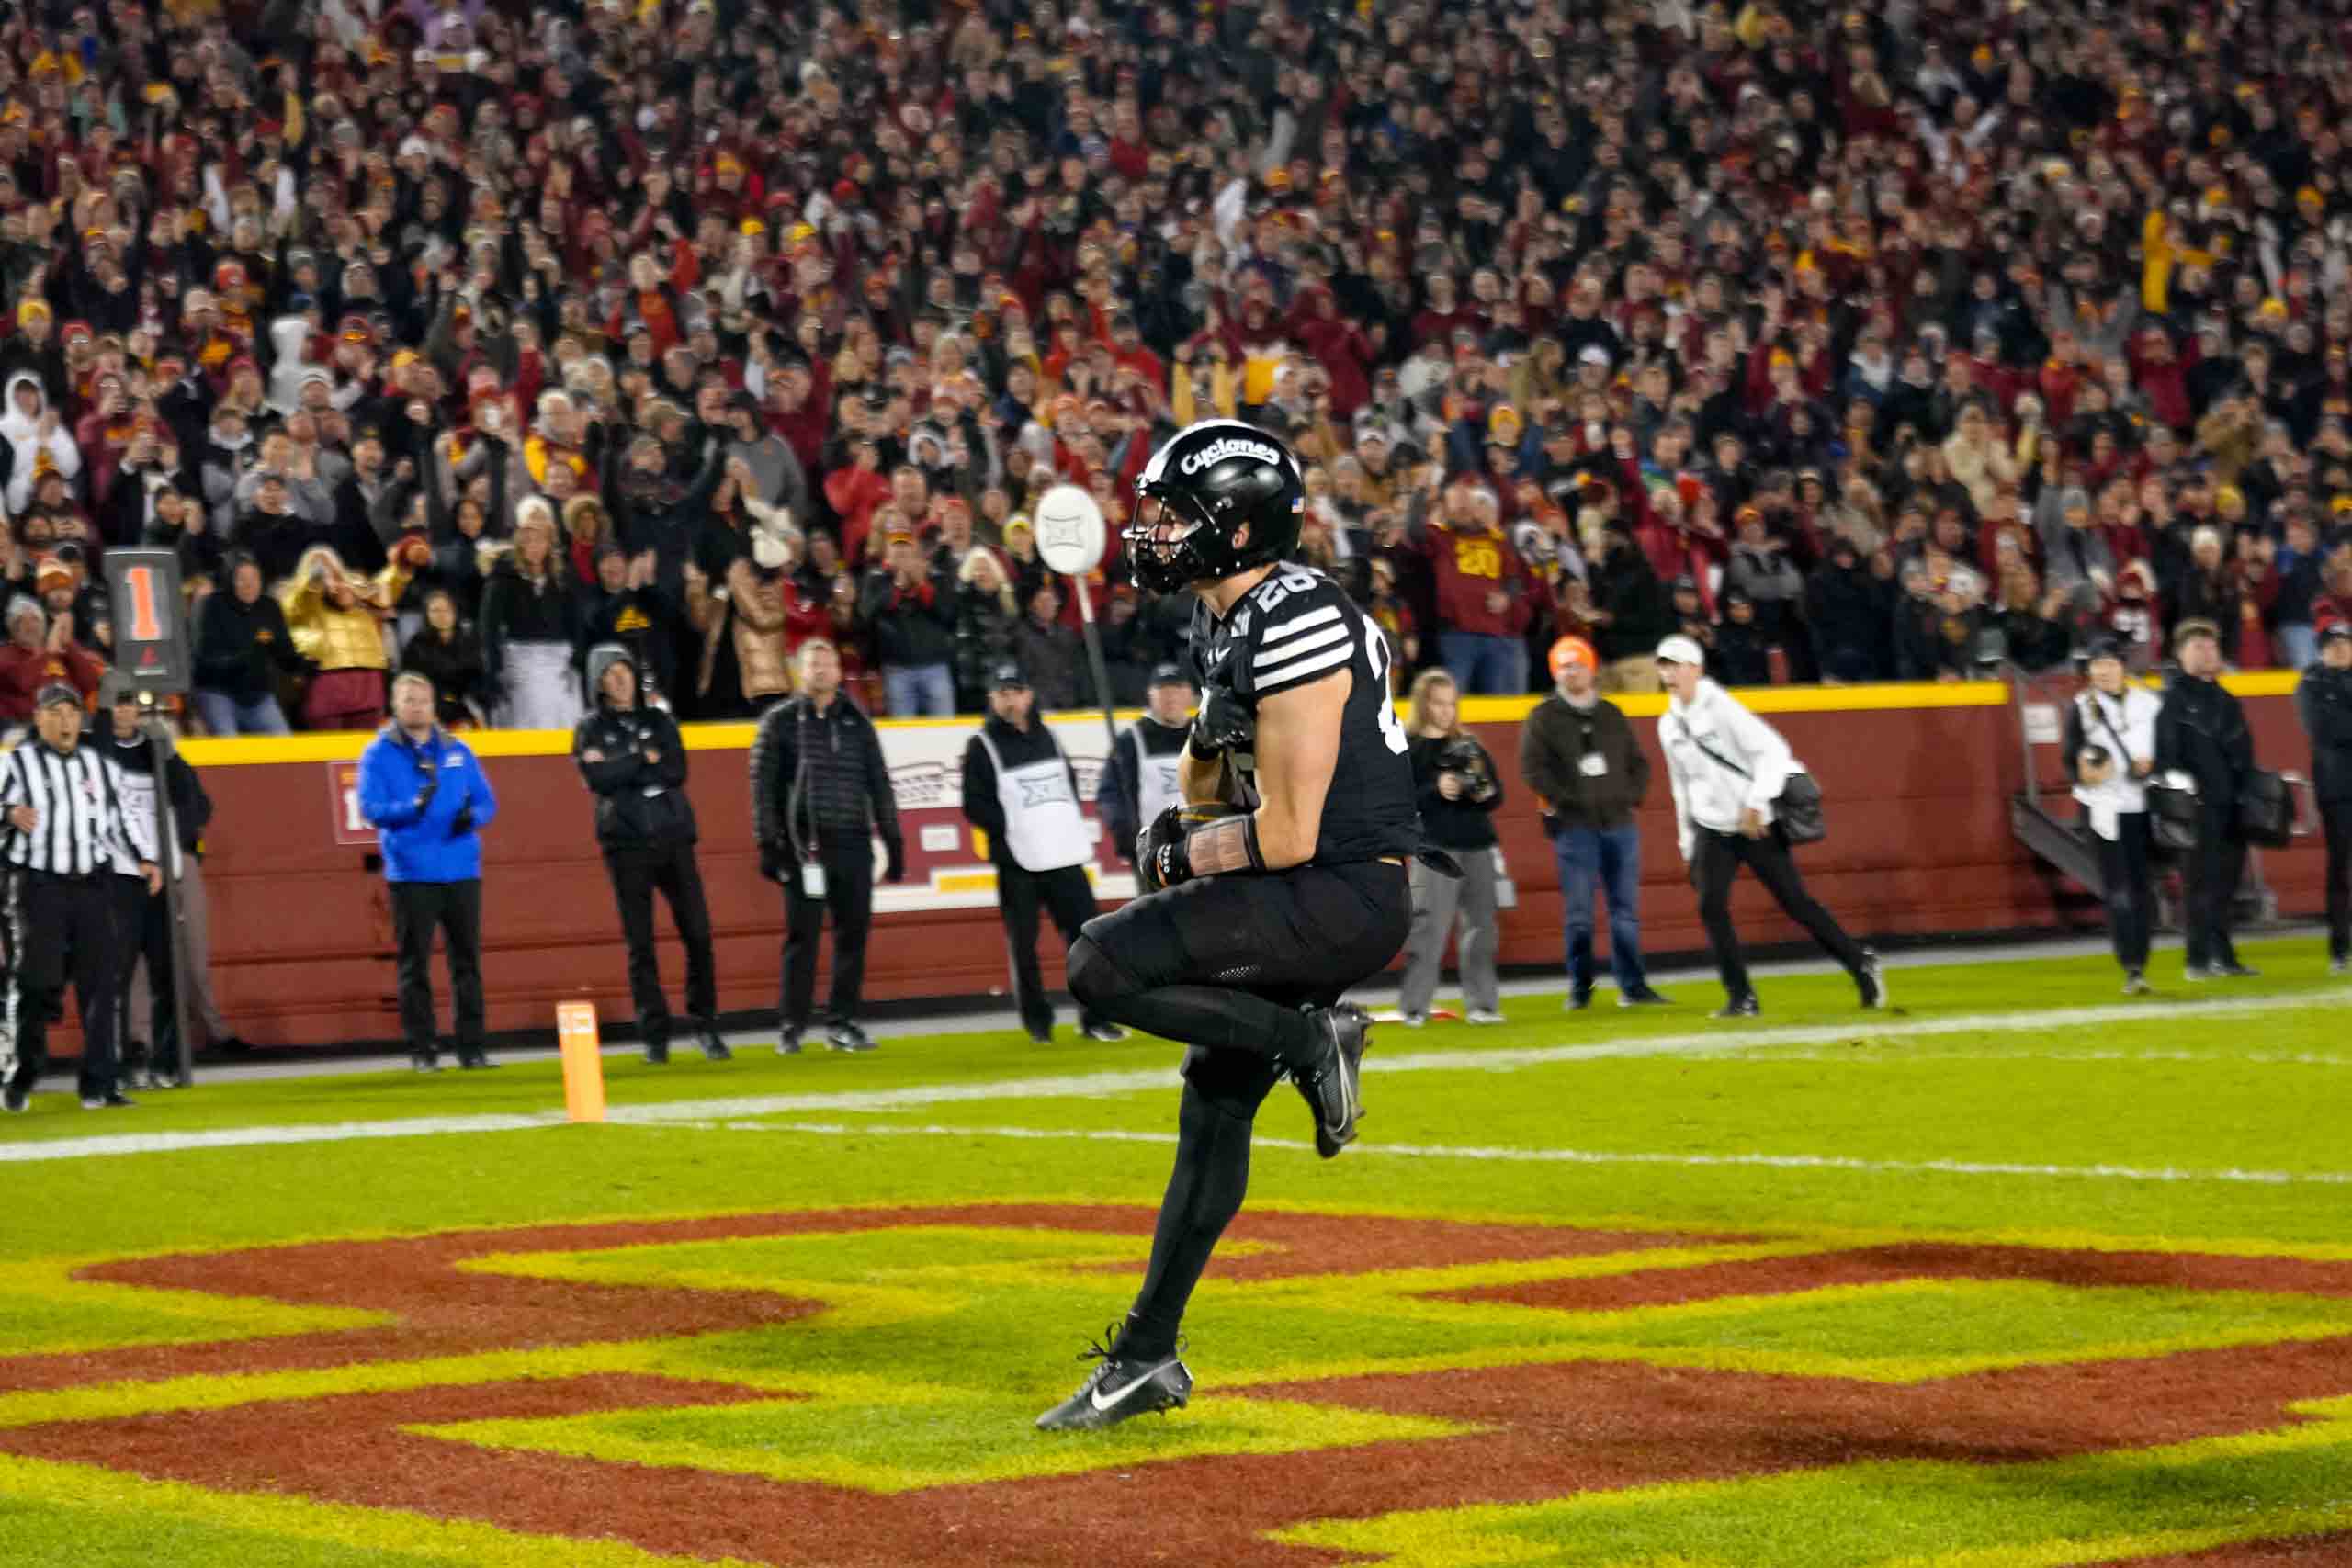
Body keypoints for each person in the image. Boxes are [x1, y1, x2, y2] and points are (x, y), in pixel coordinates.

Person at [1036, 418, 1420, 1431]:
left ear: (1239, 527)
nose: (1153, 532)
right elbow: (1214, 764)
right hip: (1307, 891)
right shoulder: (1228, 616)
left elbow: (1287, 835)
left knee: (1099, 964)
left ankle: (1313, 1038)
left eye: (1175, 515)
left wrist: (1180, 855)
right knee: (1212, 1113)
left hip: (1335, 891)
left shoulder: (1296, 615)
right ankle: (1145, 1359)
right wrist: (1188, 811)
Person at [1657, 635, 1883, 1018]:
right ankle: (1741, 996)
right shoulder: (1668, 725)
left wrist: (1756, 803)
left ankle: (1859, 963)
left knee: (1796, 902)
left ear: (1697, 669)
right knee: (1711, 907)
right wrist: (1686, 842)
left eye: (1677, 665)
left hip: (1755, 824)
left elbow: (1773, 752)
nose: (1669, 673)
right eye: (1664, 666)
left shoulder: (1723, 709)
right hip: (1713, 828)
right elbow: (1681, 787)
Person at [0, 683, 162, 1112]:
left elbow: (121, 816)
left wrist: (146, 857)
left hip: (91, 884)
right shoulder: (16, 764)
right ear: (39, 719)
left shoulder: (99, 766)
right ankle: (22, 1071)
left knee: (102, 984)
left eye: (72, 712)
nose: (67, 720)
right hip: (38, 885)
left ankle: (100, 1082)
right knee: (37, 984)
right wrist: (9, 813)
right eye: (56, 712)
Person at [749, 637, 906, 1053]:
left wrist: (893, 839)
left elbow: (879, 784)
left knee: (852, 937)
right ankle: (792, 1026)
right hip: (805, 847)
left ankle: (843, 1022)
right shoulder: (779, 722)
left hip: (853, 842)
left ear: (839, 671)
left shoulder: (858, 721)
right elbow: (761, 788)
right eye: (812, 663)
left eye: (828, 661)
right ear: (799, 671)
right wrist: (769, 843)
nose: (820, 669)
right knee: (802, 939)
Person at [573, 643, 728, 1065]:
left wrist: (623, 765)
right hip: (625, 844)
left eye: (624, 670)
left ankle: (705, 1024)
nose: (620, 679)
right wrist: (642, 758)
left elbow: (676, 770)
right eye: (611, 673)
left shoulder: (660, 719)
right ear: (598, 683)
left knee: (697, 932)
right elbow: (598, 778)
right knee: (640, 943)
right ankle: (655, 1035)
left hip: (674, 837)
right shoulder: (590, 728)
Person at [959, 661, 1125, 1044]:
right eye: (1003, 693)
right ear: (992, 699)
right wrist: (1014, 827)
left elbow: (1065, 787)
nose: (1011, 700)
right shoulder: (981, 745)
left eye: (1016, 691)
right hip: (1017, 861)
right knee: (1023, 945)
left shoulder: (1049, 736)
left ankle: (1095, 1018)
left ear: (1028, 695)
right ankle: (1038, 1024)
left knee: (1087, 939)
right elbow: (973, 805)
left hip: (1063, 855)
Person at [357, 671, 501, 1071]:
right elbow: (371, 809)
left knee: (467, 962)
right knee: (414, 963)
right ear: (395, 706)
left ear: (434, 705)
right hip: (411, 872)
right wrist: (411, 808)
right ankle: (423, 1050)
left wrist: (472, 817)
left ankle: (472, 1049)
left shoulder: (457, 747)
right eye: (408, 699)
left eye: (422, 699)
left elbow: (489, 801)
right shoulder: (378, 753)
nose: (416, 706)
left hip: (460, 868)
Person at [1519, 635, 1668, 1010]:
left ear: (1592, 668)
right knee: (1580, 915)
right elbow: (1533, 771)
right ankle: (1580, 987)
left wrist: (1630, 796)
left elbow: (1639, 763)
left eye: (1578, 664)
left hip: (1619, 823)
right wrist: (1570, 802)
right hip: (1574, 828)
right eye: (1565, 666)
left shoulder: (1611, 714)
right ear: (1556, 672)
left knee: (1625, 913)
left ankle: (1633, 986)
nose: (1573, 672)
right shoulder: (1543, 718)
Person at [91, 674, 215, 1087]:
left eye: (131, 703)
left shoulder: (157, 748)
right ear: (104, 709)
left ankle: (165, 1061)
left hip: (163, 876)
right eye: (117, 704)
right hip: (117, 879)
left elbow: (198, 805)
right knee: (118, 975)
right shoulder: (92, 751)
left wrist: (170, 756)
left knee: (167, 974)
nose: (126, 711)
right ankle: (124, 1061)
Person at [1396, 670, 1506, 1024]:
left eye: (1451, 704)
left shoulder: (1470, 745)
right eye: (1438, 703)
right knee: (1428, 928)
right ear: (1423, 704)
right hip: (1435, 849)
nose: (1446, 711)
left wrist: (1477, 788)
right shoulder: (1408, 747)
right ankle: (1415, 1006)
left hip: (1478, 845)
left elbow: (1495, 797)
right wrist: (1435, 788)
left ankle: (1483, 1004)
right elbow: (1398, 800)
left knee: (1482, 928)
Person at [2156, 619, 2259, 980]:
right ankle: (2196, 959)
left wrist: (2248, 792)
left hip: (2231, 804)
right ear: (2180, 654)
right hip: (2195, 807)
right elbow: (2166, 754)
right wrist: (2184, 792)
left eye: (2211, 646)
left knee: (2227, 883)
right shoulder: (2172, 699)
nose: (2206, 652)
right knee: (2199, 883)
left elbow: (2245, 752)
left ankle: (2224, 956)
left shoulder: (2227, 699)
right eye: (2197, 646)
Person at [2063, 638, 2162, 995]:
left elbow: (2167, 747)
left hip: (2143, 804)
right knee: (2118, 888)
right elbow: (2069, 757)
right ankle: (2132, 966)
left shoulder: (2149, 702)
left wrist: (2153, 764)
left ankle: (2142, 960)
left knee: (2141, 886)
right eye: (2096, 665)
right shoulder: (2081, 707)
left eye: (2109, 663)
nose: (2102, 671)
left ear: (2123, 666)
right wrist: (2083, 773)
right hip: (2103, 807)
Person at [1100, 662, 1195, 863]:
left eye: (1176, 689)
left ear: (1188, 694)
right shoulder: (1131, 739)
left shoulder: (1203, 733)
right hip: (1154, 851)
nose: (1169, 697)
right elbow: (1111, 793)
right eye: (1162, 690)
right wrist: (1127, 836)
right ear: (1150, 695)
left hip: (1202, 845)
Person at [2298, 622, 2352, 975]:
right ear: (2320, 649)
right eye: (2333, 644)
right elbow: (2322, 729)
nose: (2340, 648)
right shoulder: (2311, 684)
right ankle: (2340, 948)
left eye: (2346, 642)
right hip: (2338, 789)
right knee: (2341, 868)